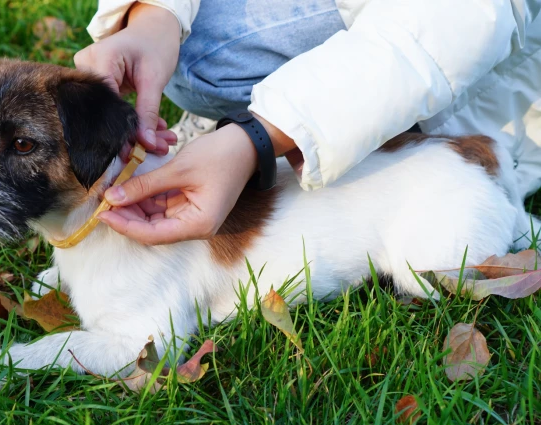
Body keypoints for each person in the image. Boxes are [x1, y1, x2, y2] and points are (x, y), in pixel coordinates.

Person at [74, 0, 541, 246]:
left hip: (494, 74)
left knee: (202, 55)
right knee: (192, 39)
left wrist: (259, 136)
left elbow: (459, 17)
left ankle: (278, 128)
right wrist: (154, 16)